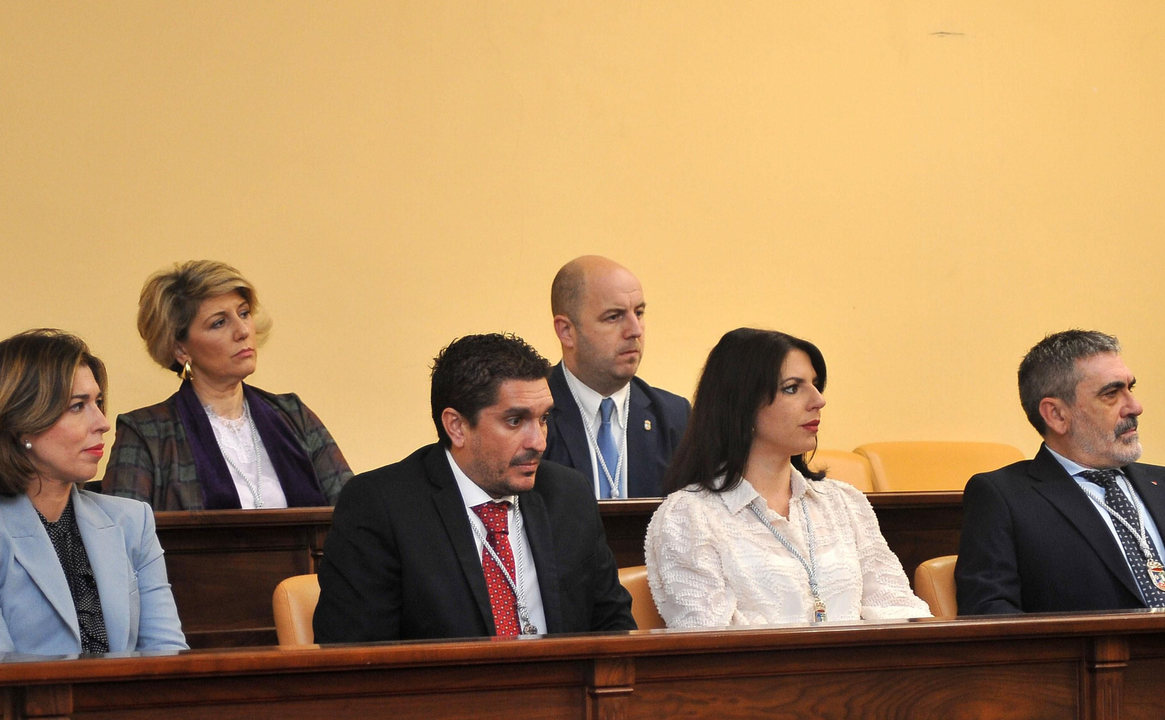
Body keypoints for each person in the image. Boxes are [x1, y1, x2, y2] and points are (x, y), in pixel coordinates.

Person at [313, 333, 636, 642]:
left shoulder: (568, 495)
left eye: (543, 418)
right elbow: (357, 657)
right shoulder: (381, 507)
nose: (538, 442)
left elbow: (614, 626)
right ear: (456, 426)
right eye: (514, 421)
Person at [956, 330, 1165, 615]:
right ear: (1056, 414)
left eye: (1130, 388)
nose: (1135, 406)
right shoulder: (1004, 497)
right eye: (1111, 394)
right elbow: (991, 615)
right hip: (1096, 671)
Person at [645, 328, 931, 627]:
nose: (818, 400)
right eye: (793, 388)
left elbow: (899, 611)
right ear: (741, 403)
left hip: (862, 673)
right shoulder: (689, 517)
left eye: (816, 385)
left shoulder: (845, 504)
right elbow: (710, 645)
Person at [0, 330, 188, 655]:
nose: (103, 423)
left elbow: (168, 654)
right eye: (78, 406)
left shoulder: (132, 521)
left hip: (131, 703)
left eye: (99, 403)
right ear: (20, 423)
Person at [102, 260, 351, 510]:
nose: (243, 330)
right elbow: (122, 538)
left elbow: (354, 515)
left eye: (243, 313)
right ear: (180, 349)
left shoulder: (294, 415)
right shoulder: (146, 434)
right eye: (219, 322)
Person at [543, 255, 690, 498]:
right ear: (567, 331)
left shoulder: (674, 416)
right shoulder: (533, 415)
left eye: (639, 313)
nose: (635, 330)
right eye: (614, 316)